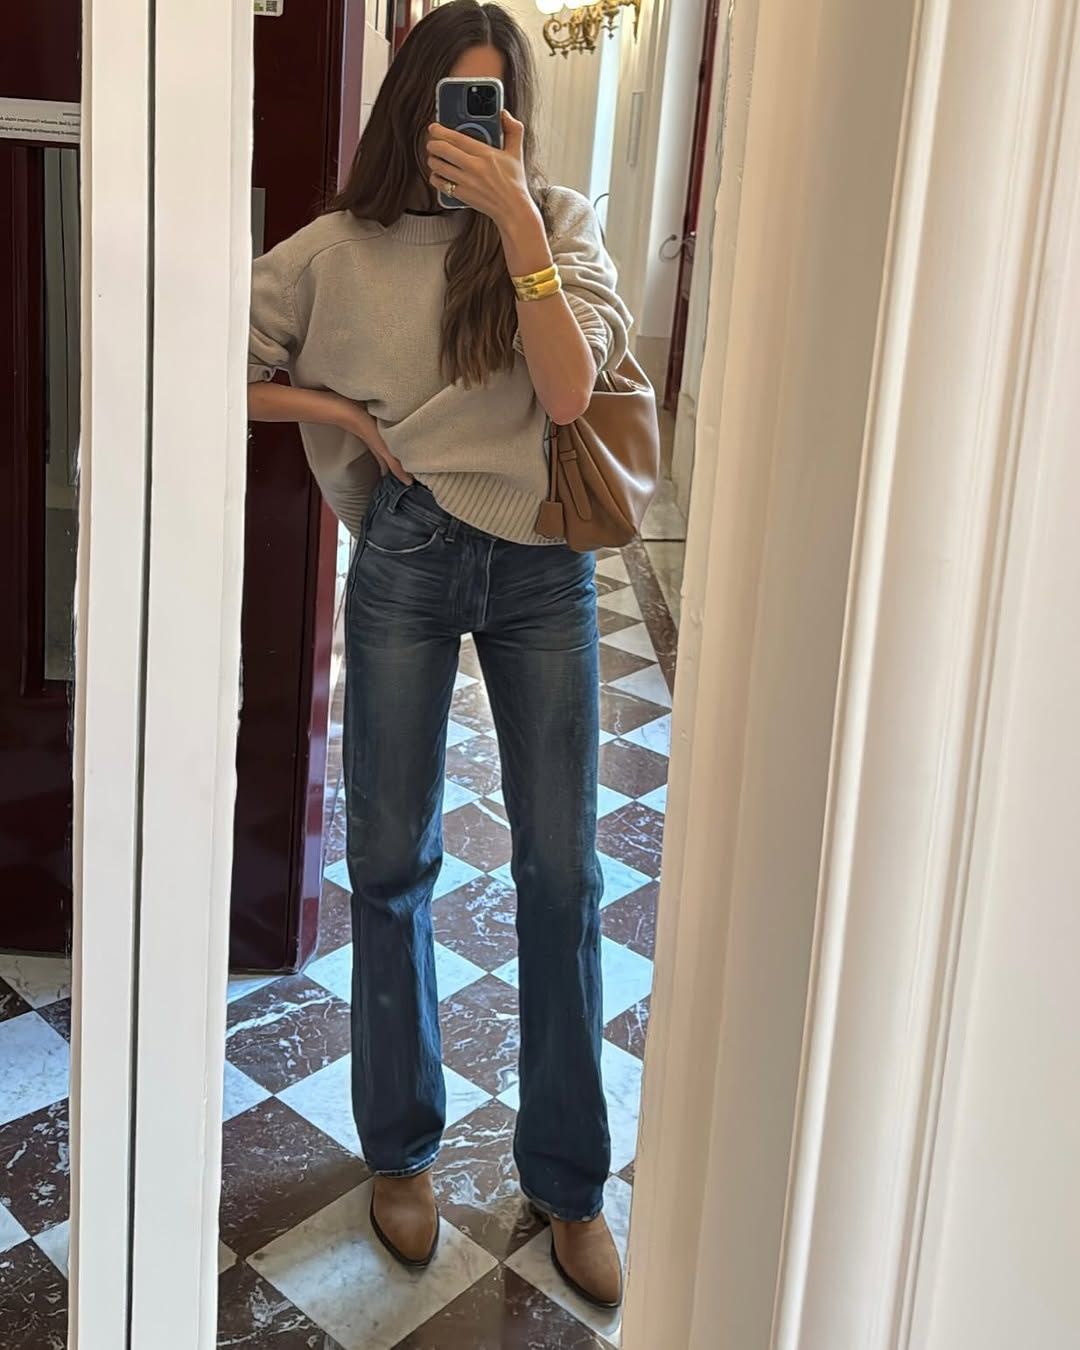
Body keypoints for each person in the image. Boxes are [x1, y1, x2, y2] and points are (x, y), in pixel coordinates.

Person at [247, 0, 630, 1309]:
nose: (471, 131)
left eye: (495, 107)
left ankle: (571, 1179)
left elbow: (569, 393)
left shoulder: (557, 223)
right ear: (408, 106)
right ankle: (400, 1148)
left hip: (542, 558)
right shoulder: (334, 251)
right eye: (452, 104)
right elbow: (200, 362)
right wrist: (344, 414)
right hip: (408, 550)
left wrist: (516, 221)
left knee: (563, 871)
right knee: (393, 857)